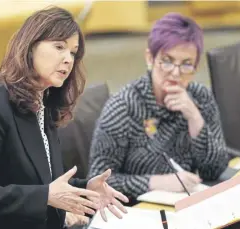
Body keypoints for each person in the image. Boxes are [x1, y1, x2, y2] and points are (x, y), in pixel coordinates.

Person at [0, 7, 129, 229]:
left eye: (73, 52)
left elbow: (39, 182)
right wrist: (45, 196)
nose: (68, 60)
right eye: (59, 47)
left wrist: (86, 187)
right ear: (30, 46)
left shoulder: (44, 105)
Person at [88, 12, 229, 203]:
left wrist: (194, 118)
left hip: (186, 204)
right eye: (167, 61)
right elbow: (97, 182)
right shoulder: (123, 107)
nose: (175, 73)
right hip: (135, 211)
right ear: (150, 58)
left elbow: (215, 169)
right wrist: (155, 182)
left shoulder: (200, 98)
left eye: (186, 64)